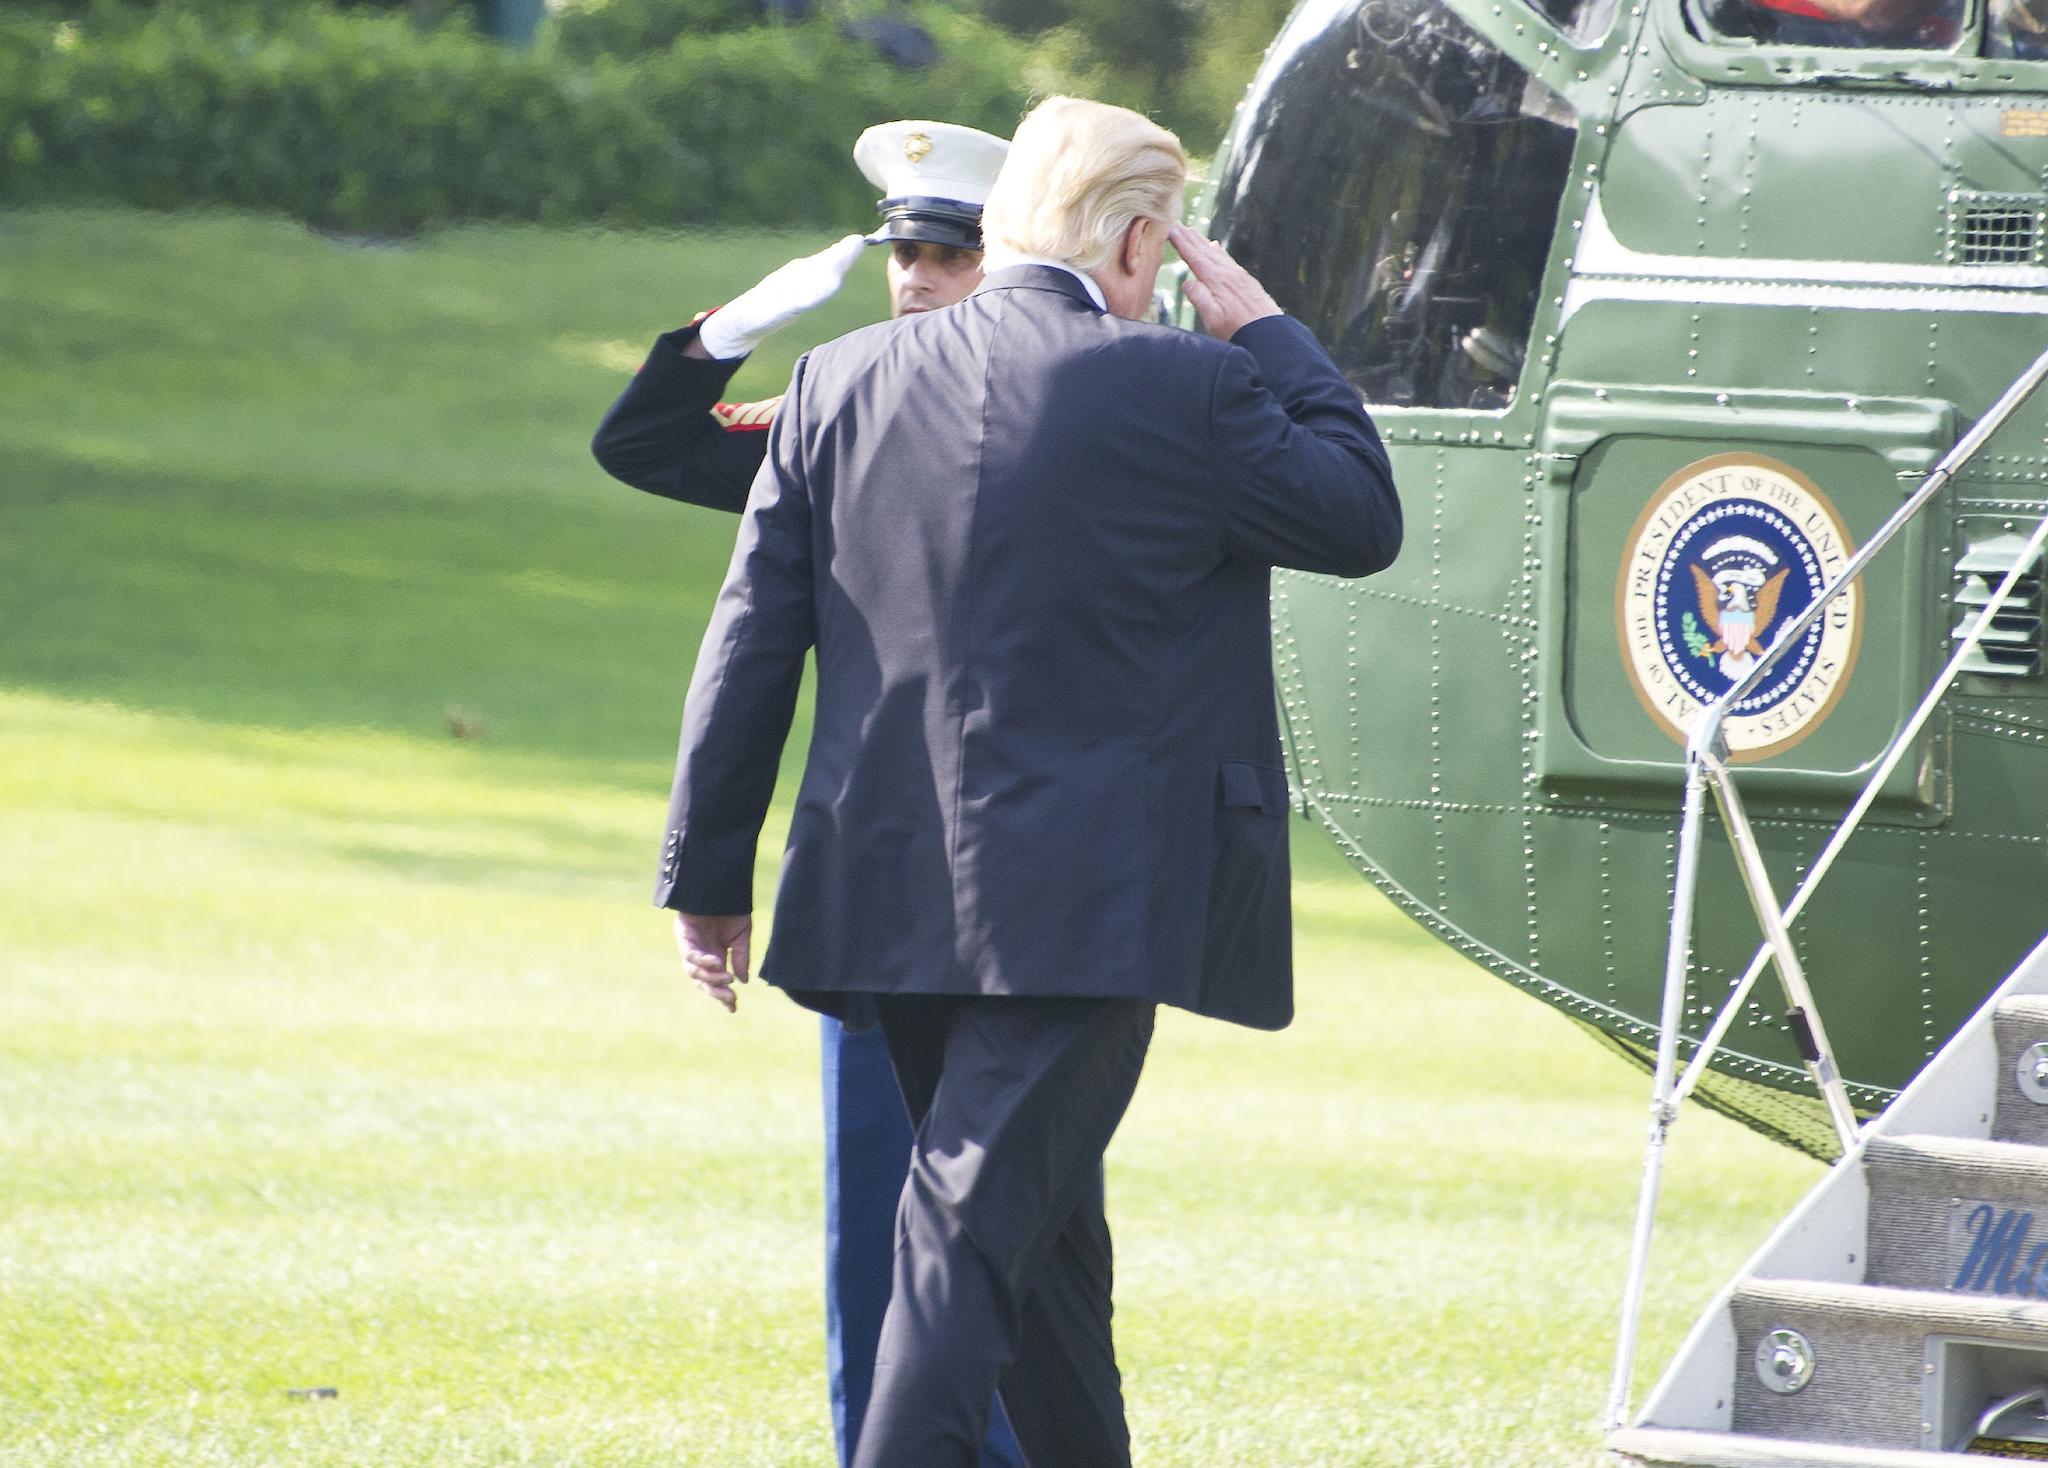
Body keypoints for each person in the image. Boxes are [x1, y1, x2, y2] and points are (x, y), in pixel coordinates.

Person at [657, 95, 1401, 1466]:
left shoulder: (841, 383)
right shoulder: (1196, 388)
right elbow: (1361, 516)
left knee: (1044, 1256)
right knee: (964, 1238)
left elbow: (749, 645)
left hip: (885, 899)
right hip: (1089, 910)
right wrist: (1272, 336)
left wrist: (706, 881)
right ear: (1133, 242)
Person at [590, 121, 1024, 1468]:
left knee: (1020, 1224)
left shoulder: (1077, 403)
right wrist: (746, 322)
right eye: (906, 254)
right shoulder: (836, 404)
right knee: (873, 1227)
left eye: (949, 257)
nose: (916, 280)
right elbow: (649, 442)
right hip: (879, 866)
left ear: (1006, 262)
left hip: (1028, 869)